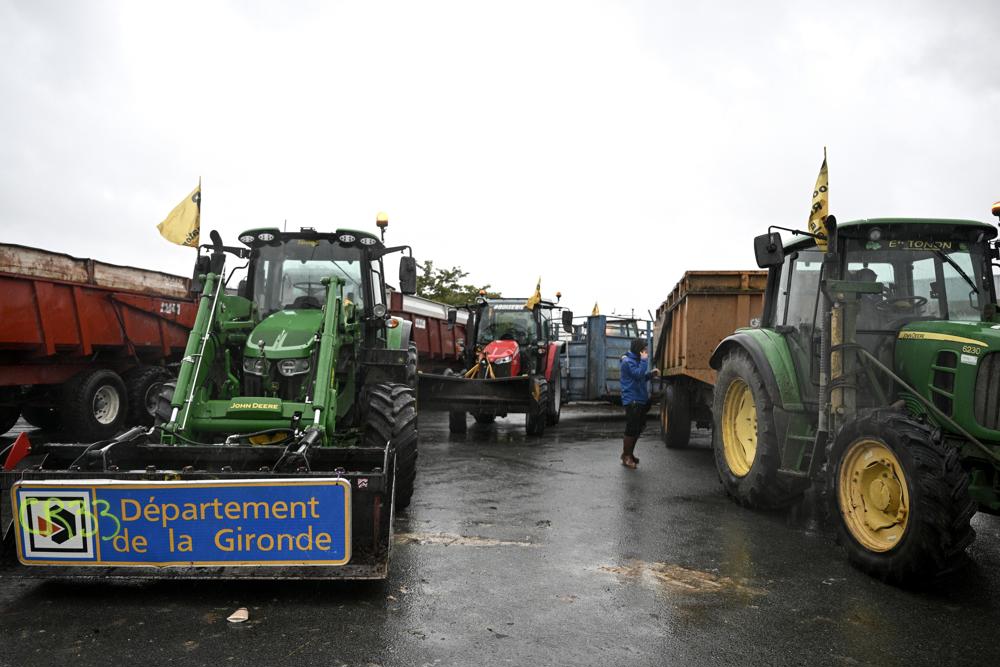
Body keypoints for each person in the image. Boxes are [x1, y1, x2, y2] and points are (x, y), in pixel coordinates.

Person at [619, 338, 659, 469]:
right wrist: (644, 361)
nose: (646, 350)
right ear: (639, 350)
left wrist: (650, 375)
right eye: (644, 348)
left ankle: (629, 454)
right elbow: (637, 375)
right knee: (631, 428)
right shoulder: (627, 361)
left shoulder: (635, 361)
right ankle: (626, 456)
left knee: (639, 427)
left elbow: (641, 377)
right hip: (632, 400)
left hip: (640, 399)